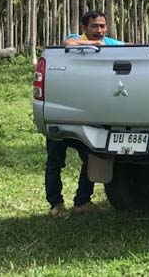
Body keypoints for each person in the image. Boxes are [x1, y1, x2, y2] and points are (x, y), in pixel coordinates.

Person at [47, 11, 124, 217]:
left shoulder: (109, 42)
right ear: (84, 28)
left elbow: (129, 47)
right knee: (55, 160)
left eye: (102, 26)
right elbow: (67, 44)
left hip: (88, 115)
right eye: (94, 26)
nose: (99, 31)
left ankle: (82, 201)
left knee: (91, 157)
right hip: (61, 113)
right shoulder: (76, 40)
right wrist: (92, 46)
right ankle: (55, 204)